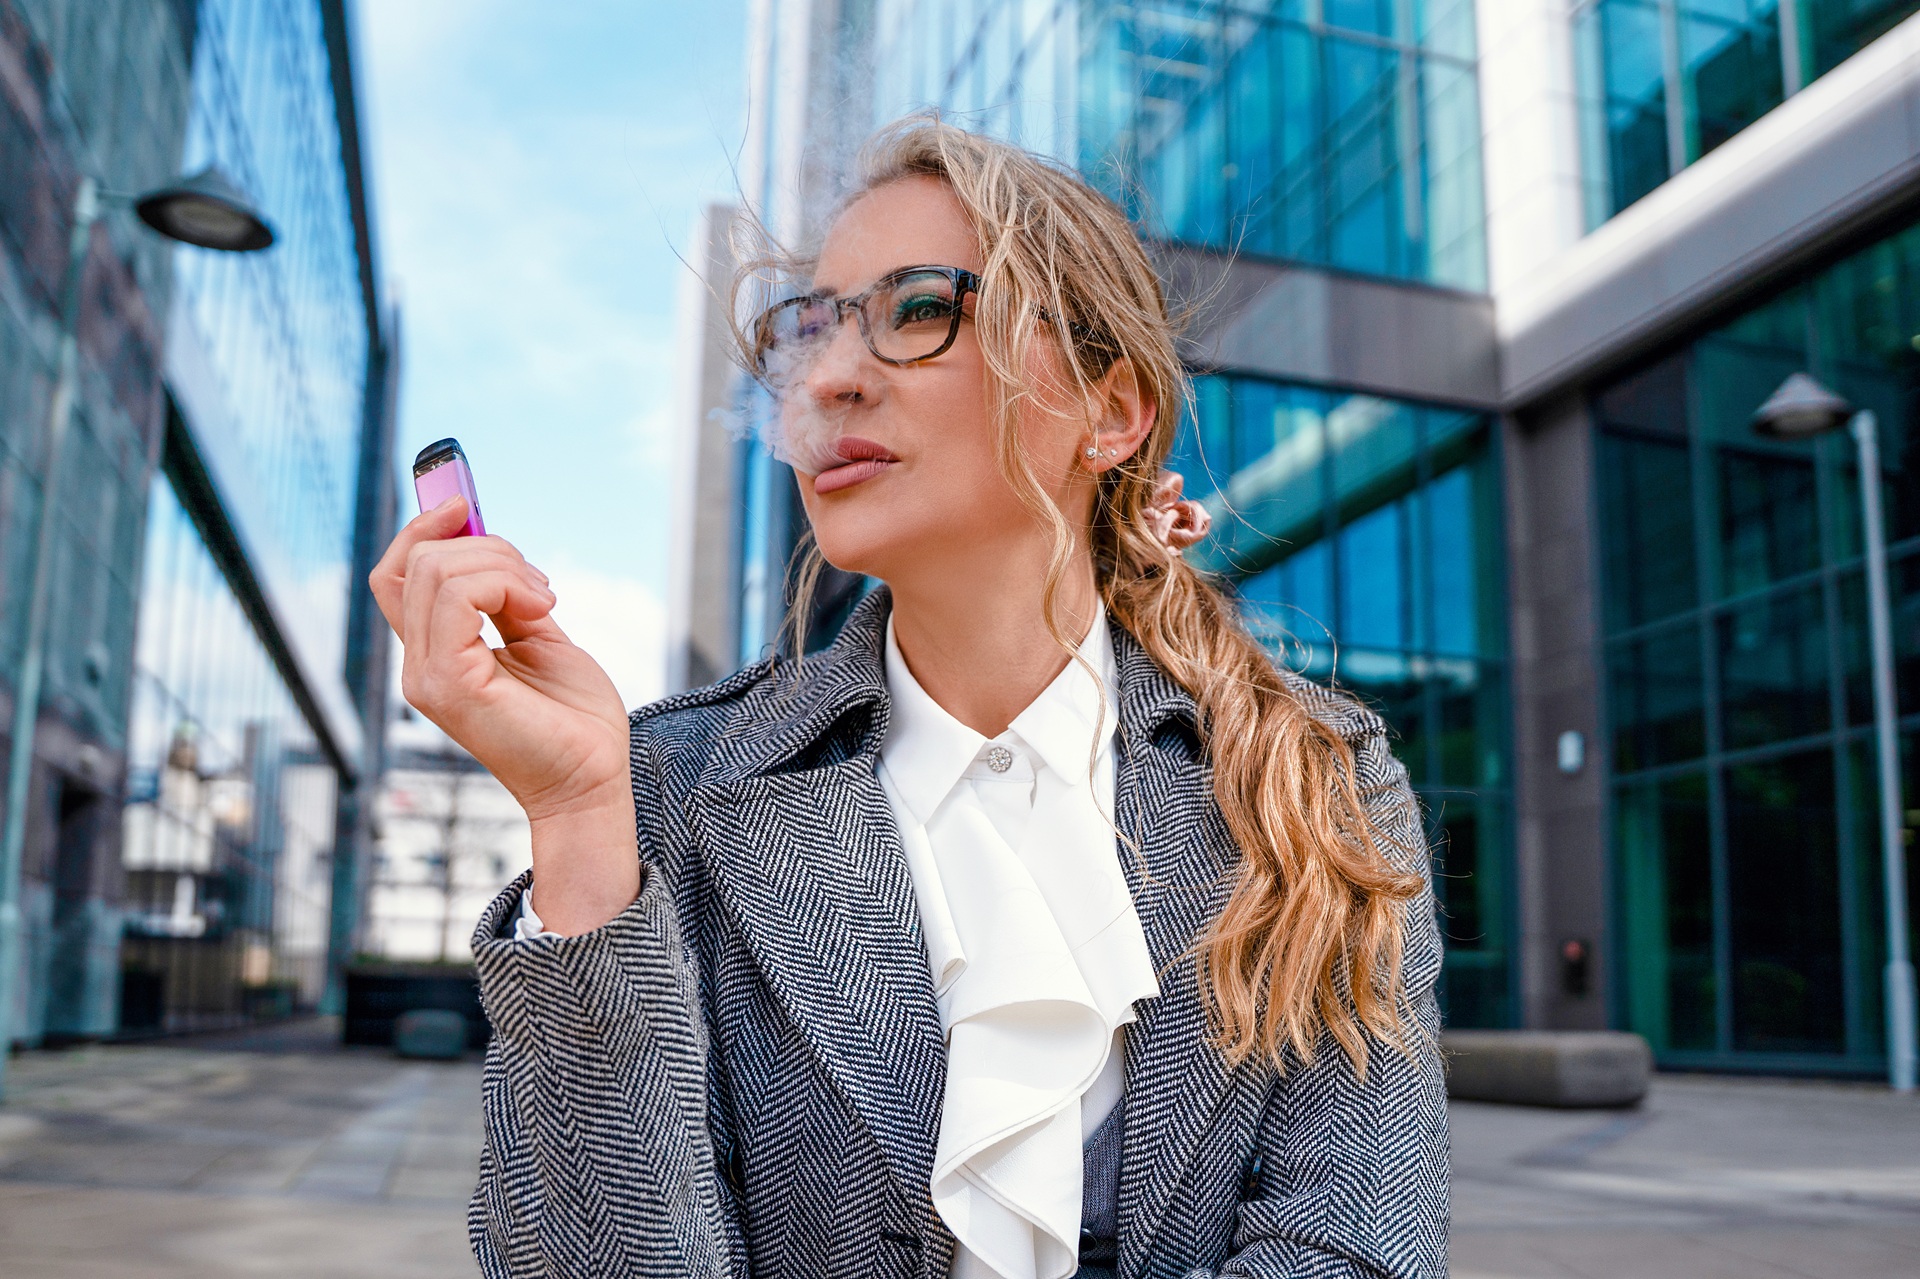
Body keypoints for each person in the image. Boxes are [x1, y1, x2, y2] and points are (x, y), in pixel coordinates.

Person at [372, 117, 1446, 1279]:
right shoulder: (661, 792)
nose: (827, 378)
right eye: (809, 327)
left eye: (919, 308)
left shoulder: (1316, 777)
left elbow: (1355, 1252)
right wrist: (578, 815)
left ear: (1112, 410)